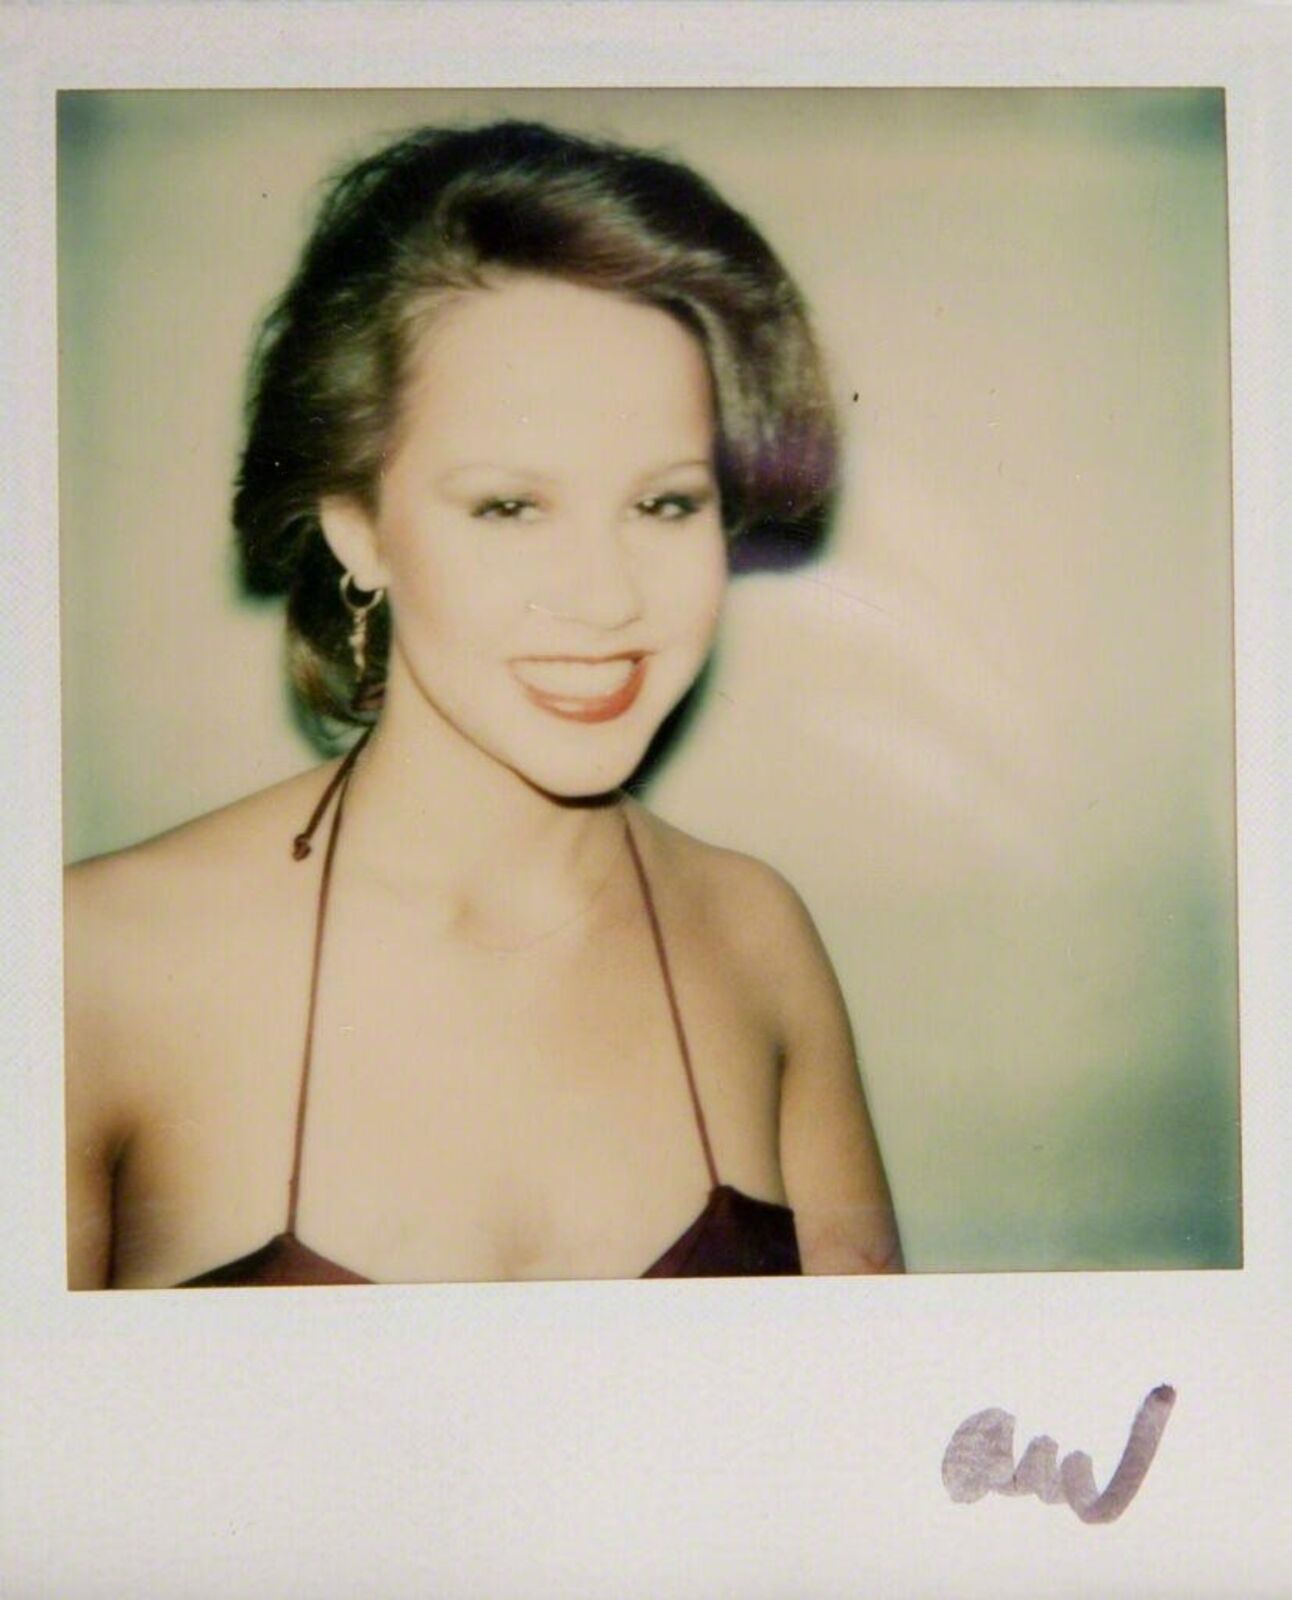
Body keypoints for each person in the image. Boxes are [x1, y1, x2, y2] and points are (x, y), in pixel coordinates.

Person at [64, 119, 902, 1287]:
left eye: (663, 504)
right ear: (356, 524)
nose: (608, 597)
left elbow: (871, 1442)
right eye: (509, 506)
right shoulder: (87, 965)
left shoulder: (757, 937)